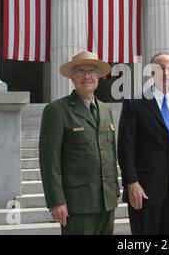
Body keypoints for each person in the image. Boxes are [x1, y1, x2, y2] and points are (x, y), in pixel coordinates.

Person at [39, 50, 119, 235]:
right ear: (72, 78)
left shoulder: (106, 110)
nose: (87, 76)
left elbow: (110, 152)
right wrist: (56, 200)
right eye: (80, 72)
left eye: (91, 72)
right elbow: (49, 159)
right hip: (77, 203)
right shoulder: (57, 110)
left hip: (106, 201)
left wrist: (113, 189)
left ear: (98, 77)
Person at [117, 51, 169, 235]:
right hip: (144, 190)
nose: (165, 72)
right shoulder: (134, 103)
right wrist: (132, 182)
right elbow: (125, 148)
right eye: (159, 68)